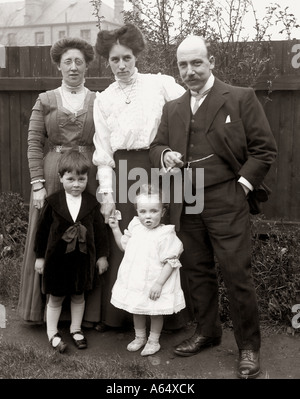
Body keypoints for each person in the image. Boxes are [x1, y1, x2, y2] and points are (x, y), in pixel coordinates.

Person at [149, 35, 277, 378]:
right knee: (196, 271)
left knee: (237, 274)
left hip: (227, 199)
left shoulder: (240, 98)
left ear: (212, 61)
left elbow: (264, 150)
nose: (189, 71)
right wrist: (164, 154)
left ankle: (249, 347)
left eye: (196, 63)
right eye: (183, 65)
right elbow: (156, 145)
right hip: (187, 200)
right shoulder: (172, 107)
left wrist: (241, 187)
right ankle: (207, 332)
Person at [92, 23, 192, 331]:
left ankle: (167, 317)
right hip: (124, 175)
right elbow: (103, 152)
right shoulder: (103, 99)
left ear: (136, 56)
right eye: (114, 59)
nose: (121, 65)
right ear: (107, 61)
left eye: (127, 58)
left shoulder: (159, 84)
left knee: (160, 241)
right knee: (130, 241)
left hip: (157, 168)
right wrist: (107, 195)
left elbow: (192, 106)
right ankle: (123, 318)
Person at [18, 37, 103, 328]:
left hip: (86, 175)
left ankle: (86, 314)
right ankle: (44, 310)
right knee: (50, 233)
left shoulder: (97, 100)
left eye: (79, 61)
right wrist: (38, 183)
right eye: (67, 61)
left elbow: (105, 143)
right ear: (58, 65)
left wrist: (104, 179)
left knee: (87, 235)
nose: (74, 66)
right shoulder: (45, 100)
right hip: (54, 174)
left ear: (87, 65)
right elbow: (33, 144)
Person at [34, 150, 109, 352]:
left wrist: (102, 256)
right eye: (70, 179)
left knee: (78, 296)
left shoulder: (92, 203)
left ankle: (76, 329)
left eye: (81, 179)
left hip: (82, 260)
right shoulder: (52, 202)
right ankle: (52, 332)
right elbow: (41, 233)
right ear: (60, 178)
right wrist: (40, 258)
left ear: (86, 179)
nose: (76, 184)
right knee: (56, 297)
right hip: (57, 260)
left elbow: (101, 233)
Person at [108, 184, 185, 356]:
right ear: (137, 211)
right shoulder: (135, 227)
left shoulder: (166, 234)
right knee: (137, 308)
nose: (147, 216)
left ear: (162, 212)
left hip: (155, 281)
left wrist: (159, 284)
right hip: (136, 279)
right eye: (143, 212)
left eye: (153, 211)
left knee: (155, 312)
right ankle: (140, 337)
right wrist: (115, 228)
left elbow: (171, 262)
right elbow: (123, 246)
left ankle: (153, 340)